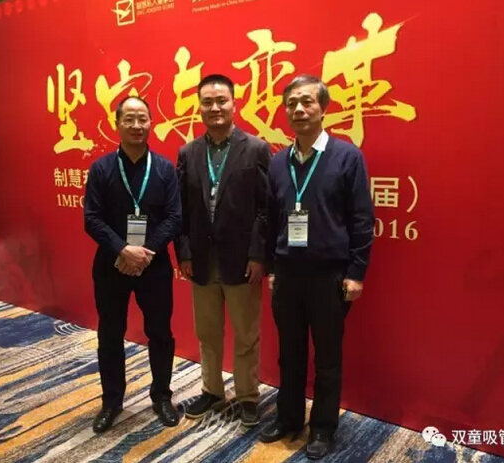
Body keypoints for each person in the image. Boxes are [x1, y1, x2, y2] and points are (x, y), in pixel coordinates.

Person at [259, 75, 375, 459]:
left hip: (330, 277)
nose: (299, 109)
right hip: (287, 276)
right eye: (292, 103)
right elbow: (271, 219)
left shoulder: (347, 157)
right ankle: (289, 418)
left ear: (323, 108)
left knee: (327, 358)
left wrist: (356, 272)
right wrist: (272, 268)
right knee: (289, 353)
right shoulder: (279, 162)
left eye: (307, 101)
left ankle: (323, 427)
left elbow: (362, 219)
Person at [175, 74, 271, 426]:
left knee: (246, 334)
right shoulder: (188, 152)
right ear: (199, 107)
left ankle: (247, 396)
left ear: (234, 103)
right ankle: (212, 390)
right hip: (201, 260)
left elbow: (266, 209)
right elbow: (181, 209)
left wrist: (258, 255)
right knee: (208, 332)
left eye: (221, 101)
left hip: (242, 260)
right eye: (207, 102)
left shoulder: (256, 148)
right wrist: (184, 253)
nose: (214, 107)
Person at [84, 96, 182, 433]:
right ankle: (111, 401)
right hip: (111, 264)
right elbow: (92, 219)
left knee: (160, 332)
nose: (137, 125)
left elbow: (174, 217)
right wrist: (123, 250)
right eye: (129, 119)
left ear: (151, 123)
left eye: (142, 119)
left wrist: (145, 252)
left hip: (154, 265)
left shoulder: (165, 169)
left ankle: (162, 396)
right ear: (117, 124)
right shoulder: (101, 169)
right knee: (110, 333)